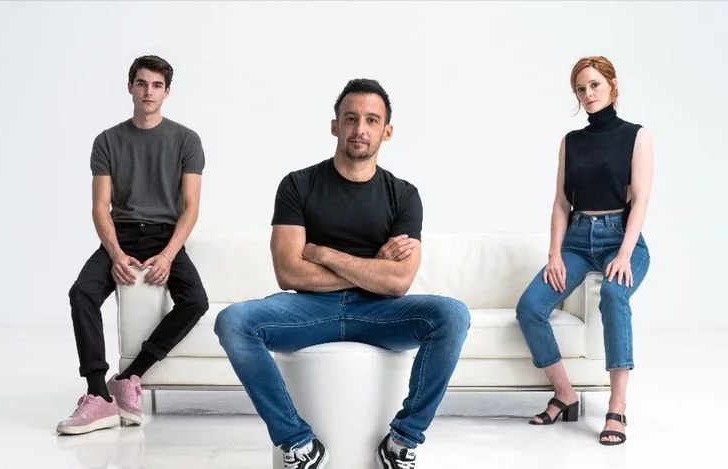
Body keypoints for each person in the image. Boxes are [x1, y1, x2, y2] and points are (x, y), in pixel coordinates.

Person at [213, 78, 470, 468]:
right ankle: (299, 444)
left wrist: (323, 254)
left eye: (371, 120)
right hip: (309, 310)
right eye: (350, 118)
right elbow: (289, 273)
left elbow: (398, 282)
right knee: (233, 321)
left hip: (379, 313)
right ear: (335, 125)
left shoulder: (404, 195)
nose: (359, 129)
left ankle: (402, 441)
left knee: (453, 315)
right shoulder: (297, 185)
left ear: (387, 131)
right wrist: (374, 266)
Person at [56, 55, 209, 435]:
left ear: (167, 92)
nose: (148, 92)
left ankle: (129, 377)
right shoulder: (107, 141)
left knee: (195, 300)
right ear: (130, 87)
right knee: (81, 293)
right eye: (142, 84)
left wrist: (169, 255)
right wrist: (115, 253)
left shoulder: (186, 140)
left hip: (164, 235)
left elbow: (191, 208)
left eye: (157, 85)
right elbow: (100, 207)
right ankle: (97, 394)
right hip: (122, 232)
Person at [515, 56, 653, 446]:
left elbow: (641, 200)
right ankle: (565, 393)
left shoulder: (636, 136)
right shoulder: (571, 142)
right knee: (530, 307)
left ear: (612, 85)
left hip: (620, 238)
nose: (588, 93)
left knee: (613, 293)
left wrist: (624, 254)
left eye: (594, 84)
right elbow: (561, 202)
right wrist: (554, 253)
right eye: (580, 88)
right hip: (576, 239)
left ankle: (617, 406)